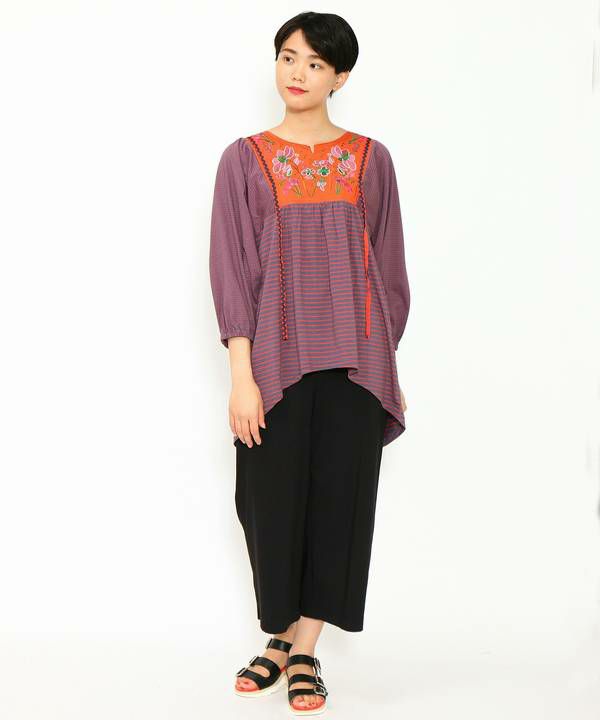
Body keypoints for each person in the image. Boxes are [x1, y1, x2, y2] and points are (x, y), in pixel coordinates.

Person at [209, 11, 410, 715]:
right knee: (267, 504)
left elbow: (388, 270)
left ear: (340, 77)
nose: (297, 73)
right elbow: (232, 271)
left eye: (316, 63)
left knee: (338, 507)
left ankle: (302, 651)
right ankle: (280, 633)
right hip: (273, 364)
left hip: (356, 364)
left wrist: (385, 364)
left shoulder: (370, 160)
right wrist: (242, 375)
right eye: (288, 57)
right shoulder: (243, 159)